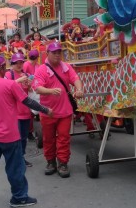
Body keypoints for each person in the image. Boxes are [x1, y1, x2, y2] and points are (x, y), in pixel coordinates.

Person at [0, 55, 52, 208]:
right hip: (9, 136)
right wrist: (46, 110)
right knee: (15, 168)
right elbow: (28, 101)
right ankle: (19, 197)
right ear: (2, 68)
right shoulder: (9, 85)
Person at [34, 41, 85, 178]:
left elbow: (76, 79)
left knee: (64, 138)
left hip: (65, 111)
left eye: (59, 52)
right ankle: (50, 162)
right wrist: (50, 91)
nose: (57, 55)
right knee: (48, 139)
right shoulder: (41, 70)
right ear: (47, 53)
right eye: (54, 53)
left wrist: (79, 89)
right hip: (48, 112)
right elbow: (38, 88)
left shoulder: (66, 67)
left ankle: (63, 162)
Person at [5, 52, 33, 167]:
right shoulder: (9, 74)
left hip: (25, 111)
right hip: (14, 113)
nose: (19, 65)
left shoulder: (26, 74)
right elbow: (6, 88)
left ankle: (21, 157)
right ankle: (16, 159)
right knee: (15, 138)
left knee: (23, 137)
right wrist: (18, 81)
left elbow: (29, 91)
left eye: (21, 62)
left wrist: (30, 84)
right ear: (12, 63)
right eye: (17, 62)